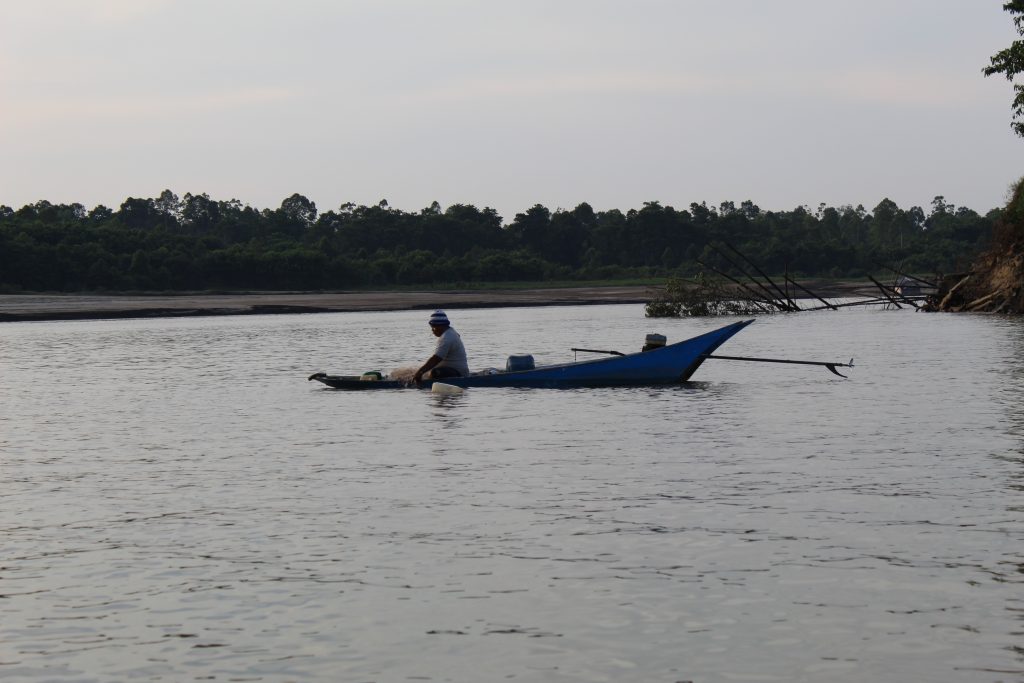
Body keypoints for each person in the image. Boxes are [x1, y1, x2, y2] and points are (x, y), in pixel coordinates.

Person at [413, 310, 469, 383]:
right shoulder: (450, 331)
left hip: (458, 373)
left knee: (435, 372)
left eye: (433, 327)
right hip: (451, 370)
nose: (432, 330)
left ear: (439, 326)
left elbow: (436, 359)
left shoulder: (446, 338)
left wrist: (420, 373)